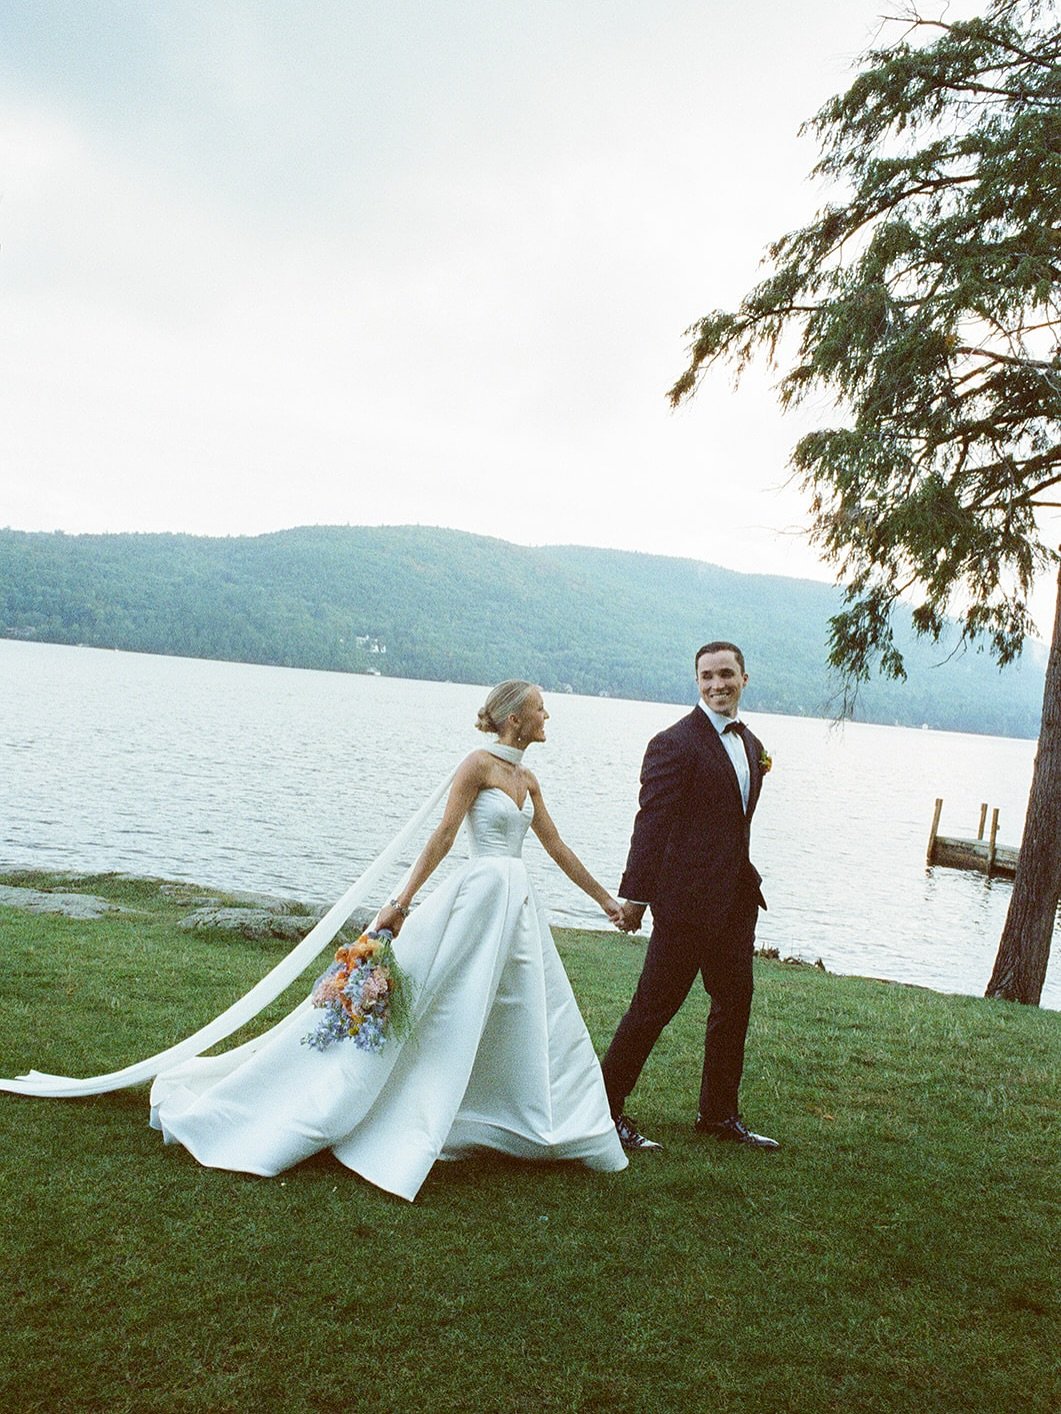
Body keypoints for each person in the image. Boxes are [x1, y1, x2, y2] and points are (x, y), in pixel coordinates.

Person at [1, 680, 628, 1200]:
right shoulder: (477, 766)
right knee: (439, 1004)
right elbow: (440, 838)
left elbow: (555, 847)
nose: (550, 716)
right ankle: (369, 1107)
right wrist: (399, 904)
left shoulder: (531, 782)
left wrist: (605, 901)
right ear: (517, 717)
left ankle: (511, 1112)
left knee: (521, 1011)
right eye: (543, 707)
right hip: (474, 901)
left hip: (514, 906)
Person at [601, 641, 778, 1152]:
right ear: (696, 682)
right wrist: (634, 896)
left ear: (745, 677)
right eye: (707, 676)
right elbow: (651, 823)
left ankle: (718, 1116)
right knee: (652, 1008)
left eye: (726, 674)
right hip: (684, 905)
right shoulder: (672, 743)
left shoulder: (751, 745)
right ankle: (604, 1111)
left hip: (735, 903)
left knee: (734, 1004)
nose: (717, 684)